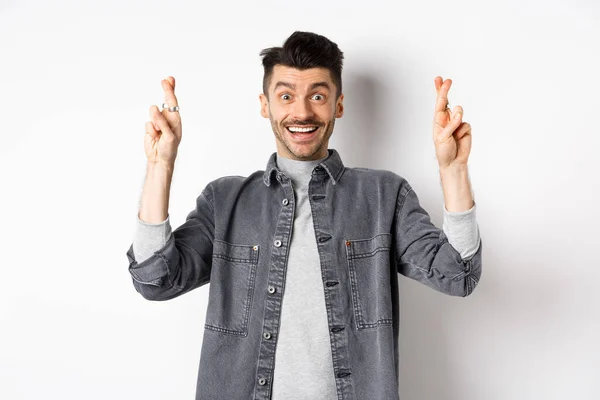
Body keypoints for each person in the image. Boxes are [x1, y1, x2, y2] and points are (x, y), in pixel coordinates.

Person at [126, 31, 482, 400]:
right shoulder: (224, 200)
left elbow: (458, 276)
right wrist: (160, 164)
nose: (302, 112)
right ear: (265, 105)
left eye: (317, 96)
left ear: (338, 105)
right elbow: (155, 281)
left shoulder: (383, 195)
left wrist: (453, 169)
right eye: (285, 96)